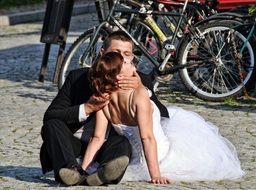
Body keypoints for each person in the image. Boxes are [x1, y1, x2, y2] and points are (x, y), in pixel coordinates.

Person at [81, 51, 245, 184]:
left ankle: (89, 174)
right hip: (160, 156)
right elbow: (147, 138)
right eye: (127, 63)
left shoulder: (104, 98)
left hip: (137, 158)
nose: (132, 64)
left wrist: (84, 168)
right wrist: (155, 175)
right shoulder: (139, 95)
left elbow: (98, 138)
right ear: (119, 76)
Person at [40, 31, 169, 186]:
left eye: (126, 54)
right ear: (103, 53)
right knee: (52, 125)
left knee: (122, 143)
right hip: (75, 145)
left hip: (108, 147)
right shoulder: (77, 77)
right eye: (116, 52)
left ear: (132, 58)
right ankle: (72, 171)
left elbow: (162, 114)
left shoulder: (140, 79)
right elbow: (51, 115)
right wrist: (87, 108)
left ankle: (104, 173)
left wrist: (142, 89)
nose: (121, 58)